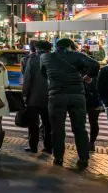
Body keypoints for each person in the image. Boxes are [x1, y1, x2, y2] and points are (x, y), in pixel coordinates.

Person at [40, 37, 100, 167]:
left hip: (56, 95)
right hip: (77, 95)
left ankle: (58, 158)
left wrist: (54, 80)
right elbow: (95, 65)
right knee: (80, 128)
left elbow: (43, 73)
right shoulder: (77, 55)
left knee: (57, 129)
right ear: (70, 46)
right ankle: (83, 158)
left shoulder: (45, 57)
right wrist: (88, 77)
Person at [22, 39, 53, 154]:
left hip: (34, 97)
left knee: (33, 123)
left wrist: (25, 94)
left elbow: (27, 79)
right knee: (48, 123)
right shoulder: (55, 59)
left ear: (37, 48)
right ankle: (49, 146)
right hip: (50, 96)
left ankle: (33, 146)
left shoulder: (33, 60)